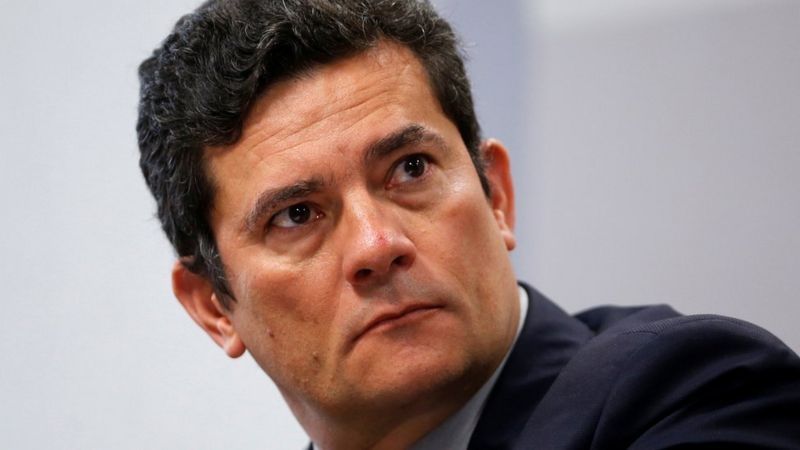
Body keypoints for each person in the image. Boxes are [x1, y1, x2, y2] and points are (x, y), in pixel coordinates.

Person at [136, 1, 800, 448]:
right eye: (296, 215)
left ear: (497, 195)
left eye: (410, 169)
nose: (377, 245)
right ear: (214, 305)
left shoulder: (691, 391)